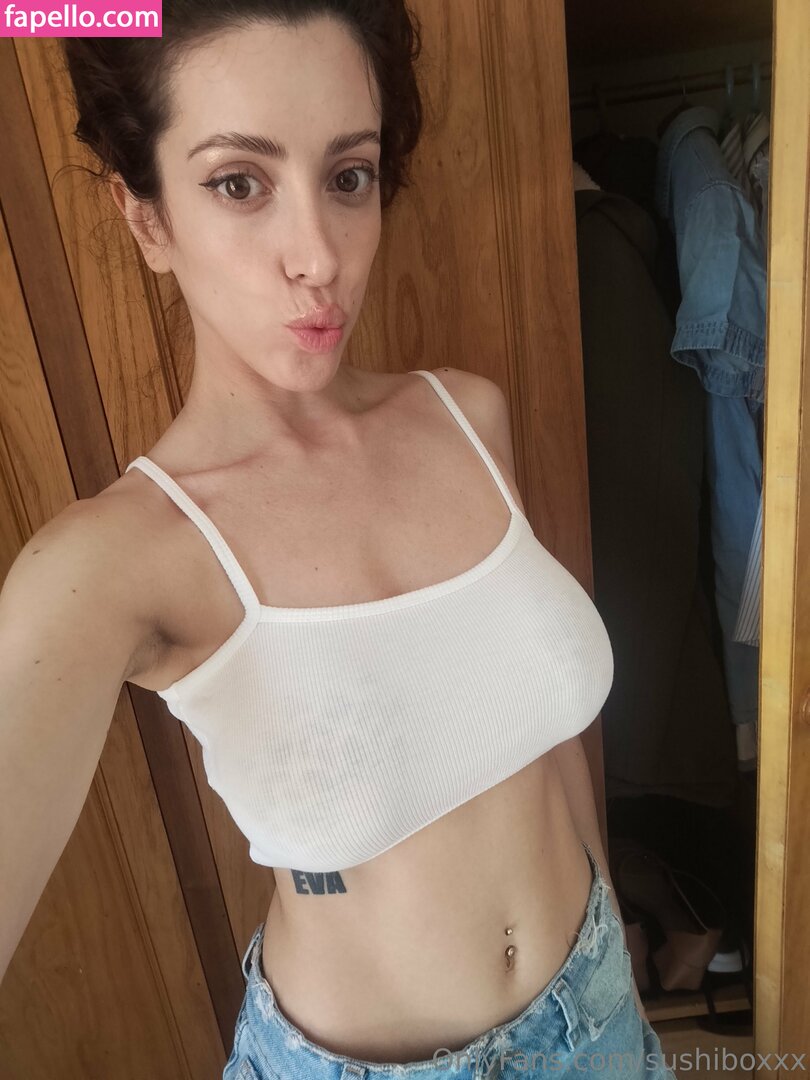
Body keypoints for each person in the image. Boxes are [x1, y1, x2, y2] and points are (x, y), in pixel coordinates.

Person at [1, 2, 675, 1076]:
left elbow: (544, 741)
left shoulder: (467, 415)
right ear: (147, 218)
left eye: (348, 176)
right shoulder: (116, 562)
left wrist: (620, 973)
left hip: (597, 1009)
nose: (319, 256)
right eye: (239, 183)